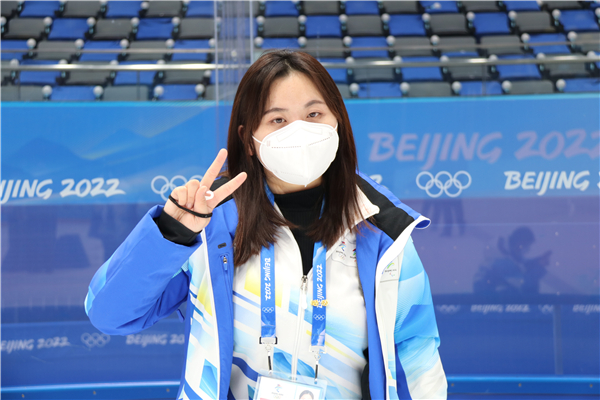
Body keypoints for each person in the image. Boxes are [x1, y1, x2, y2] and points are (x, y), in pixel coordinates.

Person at [85, 50, 447, 400]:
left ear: (338, 121)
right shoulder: (209, 224)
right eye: (278, 120)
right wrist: (172, 234)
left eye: (314, 114)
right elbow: (111, 315)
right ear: (249, 139)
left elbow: (418, 356)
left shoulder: (383, 228)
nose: (300, 131)